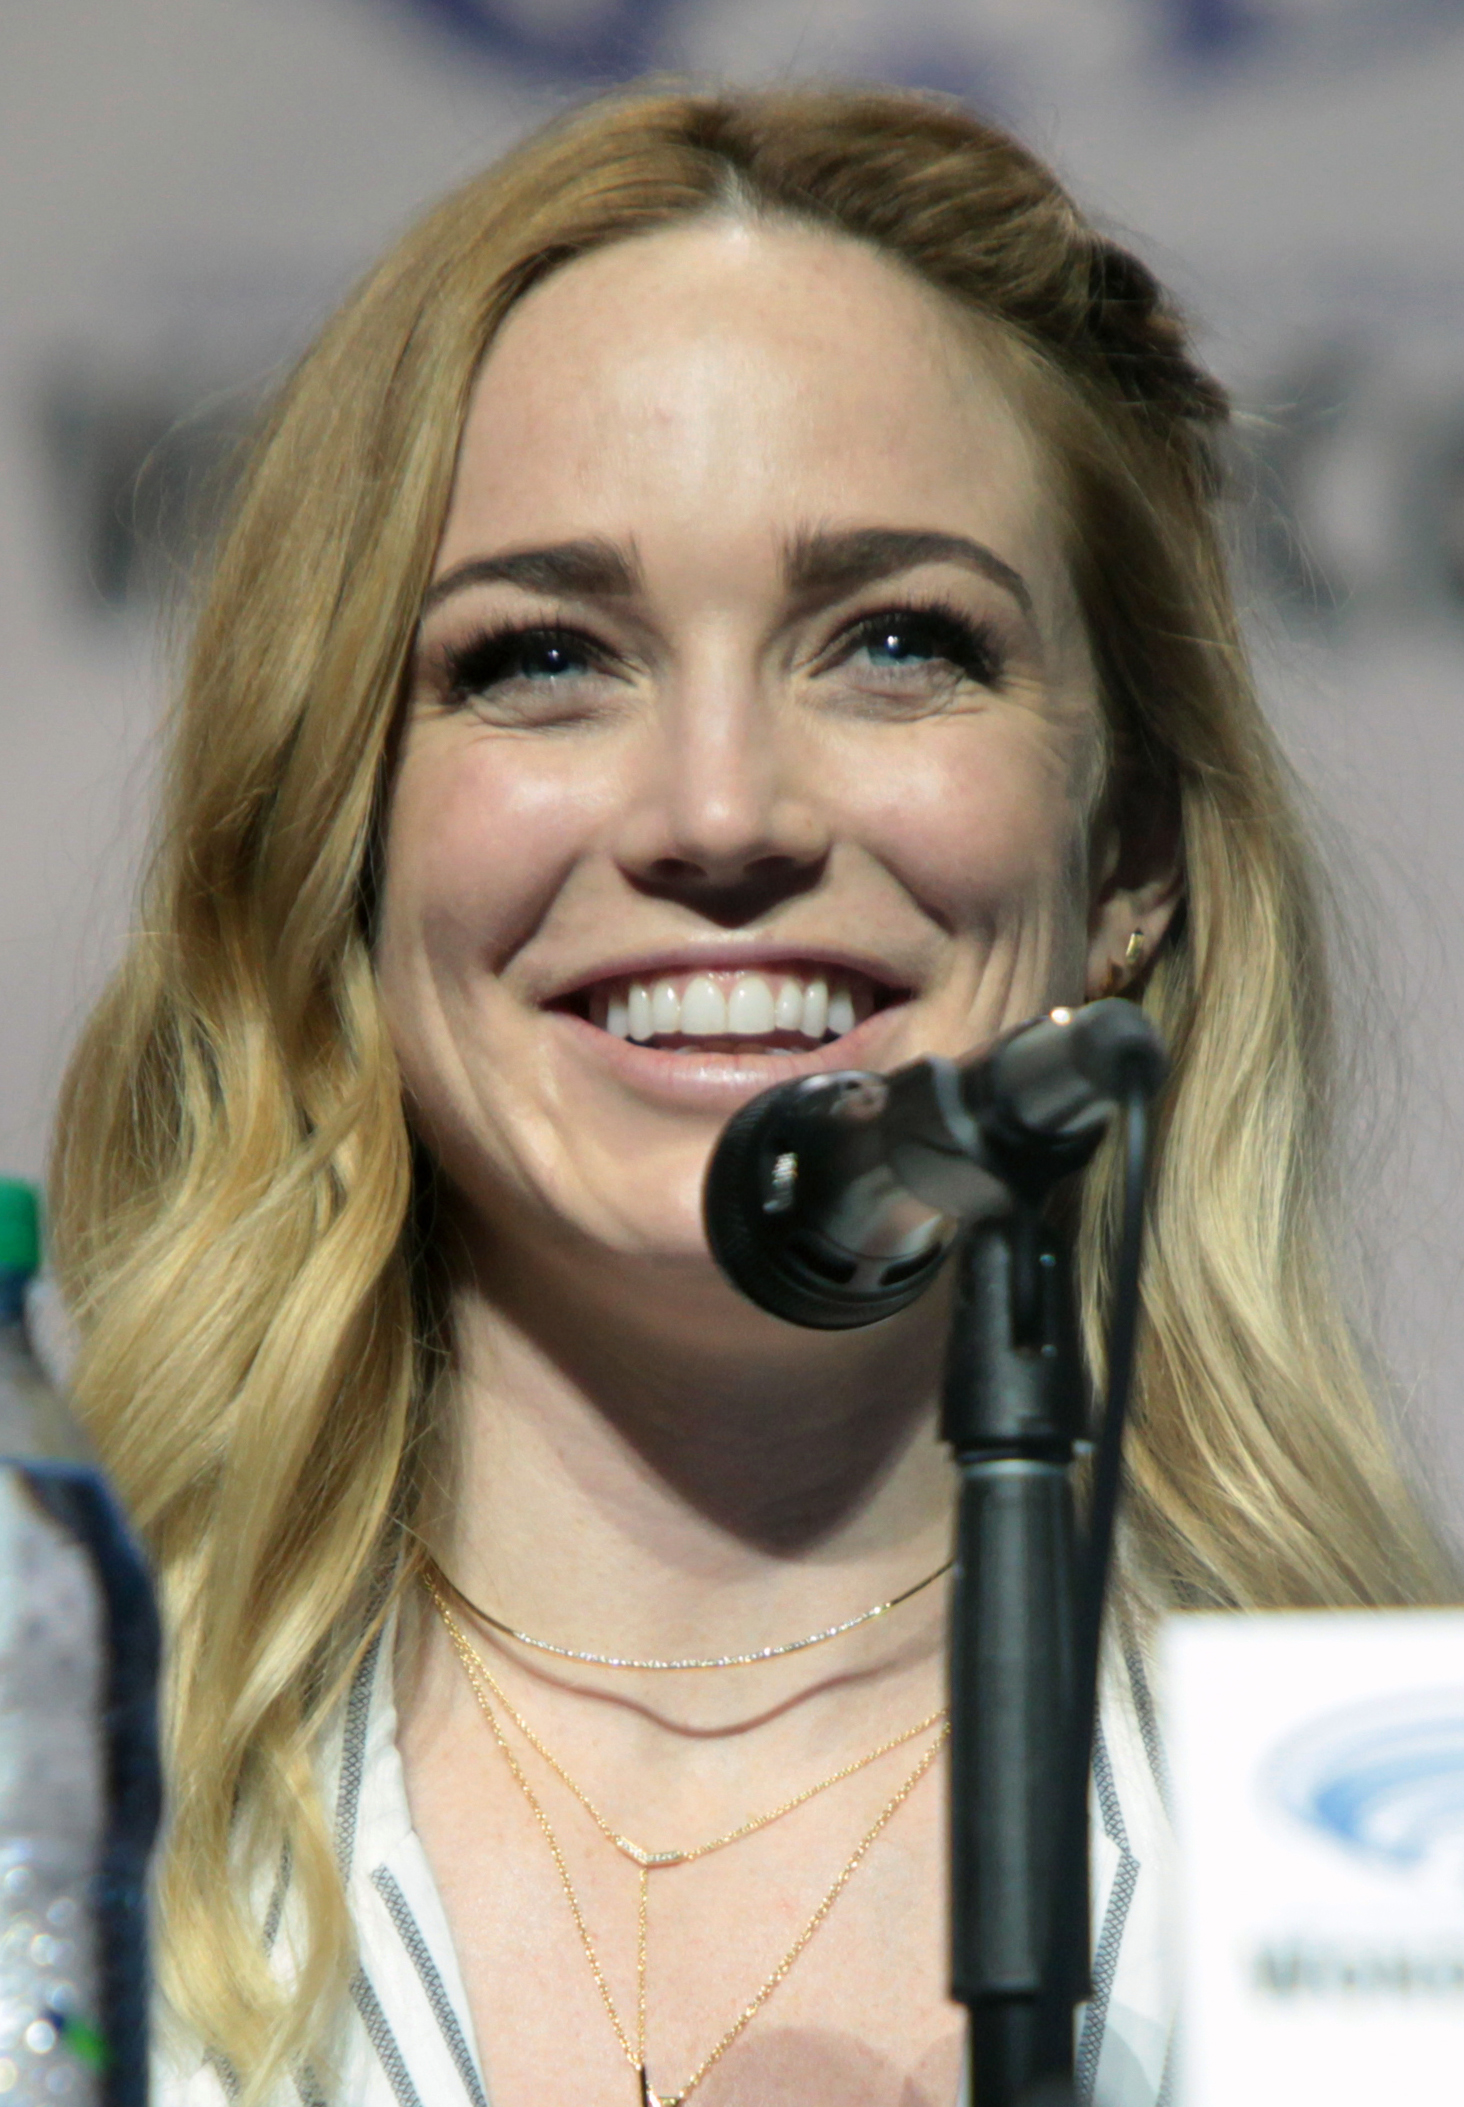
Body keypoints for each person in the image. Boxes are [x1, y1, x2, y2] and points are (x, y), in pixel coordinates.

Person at [49, 84, 1449, 2107]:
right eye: (543, 658)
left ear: (1129, 847)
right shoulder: (48, 1786)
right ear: (338, 831)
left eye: (893, 643)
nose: (719, 813)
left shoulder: (1404, 1857)